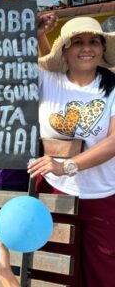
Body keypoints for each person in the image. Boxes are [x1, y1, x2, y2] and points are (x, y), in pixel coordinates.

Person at [26, 16, 115, 286]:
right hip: (54, 192)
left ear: (102, 48)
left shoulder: (112, 88)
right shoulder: (46, 79)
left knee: (104, 273)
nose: (86, 48)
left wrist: (67, 166)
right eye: (77, 42)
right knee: (55, 273)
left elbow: (113, 141)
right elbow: (3, 58)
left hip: (104, 195)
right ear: (64, 49)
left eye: (93, 41)